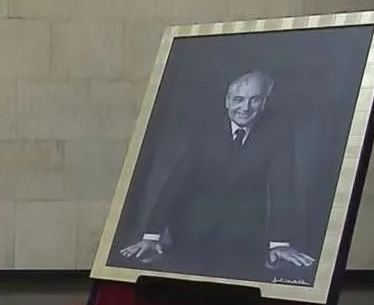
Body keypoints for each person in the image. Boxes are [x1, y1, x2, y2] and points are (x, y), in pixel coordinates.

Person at [118, 70, 315, 283]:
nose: (245, 108)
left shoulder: (279, 129)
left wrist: (279, 243)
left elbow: (281, 185)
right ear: (227, 101)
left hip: (245, 237)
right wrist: (152, 236)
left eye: (255, 99)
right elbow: (176, 180)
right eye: (239, 99)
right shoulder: (206, 126)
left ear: (265, 101)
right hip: (191, 230)